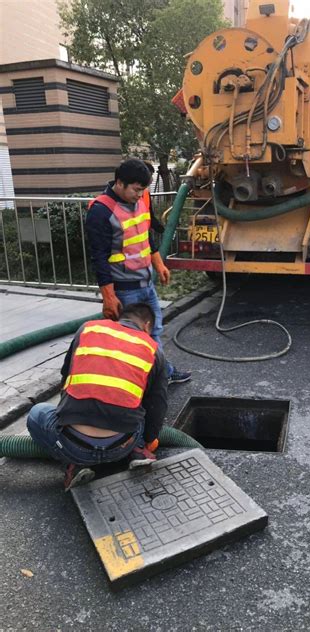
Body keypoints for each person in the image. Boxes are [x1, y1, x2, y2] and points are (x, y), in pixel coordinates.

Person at [27, 303, 168, 491]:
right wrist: (149, 440)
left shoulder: (87, 329)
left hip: (72, 445)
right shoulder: (153, 349)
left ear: (120, 317)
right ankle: (137, 451)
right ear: (147, 325)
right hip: (123, 445)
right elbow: (157, 406)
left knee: (36, 413)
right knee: (141, 406)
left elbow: (66, 376)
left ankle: (73, 464)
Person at [85, 158, 191, 385]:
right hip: (124, 290)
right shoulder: (101, 211)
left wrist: (159, 264)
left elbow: (146, 237)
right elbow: (99, 259)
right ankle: (140, 381)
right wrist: (109, 297)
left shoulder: (139, 202)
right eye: (136, 189)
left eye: (143, 190)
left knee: (154, 332)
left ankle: (162, 374)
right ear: (120, 183)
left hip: (145, 284)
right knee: (130, 339)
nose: (140, 194)